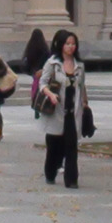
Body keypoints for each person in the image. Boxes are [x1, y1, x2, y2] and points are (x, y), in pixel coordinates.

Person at [38, 29, 87, 188]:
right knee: (54, 145)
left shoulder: (79, 65)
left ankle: (72, 179)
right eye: (67, 43)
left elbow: (82, 86)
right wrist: (50, 94)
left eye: (73, 44)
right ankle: (50, 172)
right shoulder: (52, 63)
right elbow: (42, 83)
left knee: (72, 146)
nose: (71, 47)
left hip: (73, 112)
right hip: (56, 111)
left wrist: (85, 105)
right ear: (60, 44)